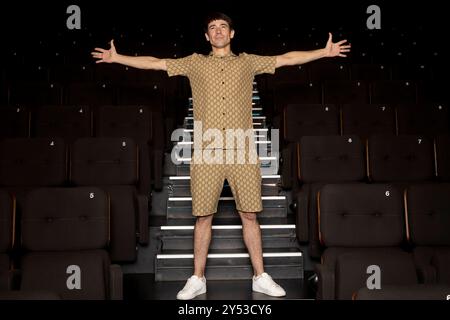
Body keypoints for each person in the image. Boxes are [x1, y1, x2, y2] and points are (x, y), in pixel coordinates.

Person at [92, 12, 350, 300]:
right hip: (207, 152)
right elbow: (155, 63)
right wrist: (119, 58)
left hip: (242, 151)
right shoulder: (195, 63)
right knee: (203, 217)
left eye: (222, 27)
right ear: (206, 36)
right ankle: (197, 278)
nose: (217, 31)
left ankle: (260, 276)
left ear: (232, 34)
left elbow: (286, 59)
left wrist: (323, 53)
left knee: (249, 215)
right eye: (212, 28)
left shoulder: (247, 62)